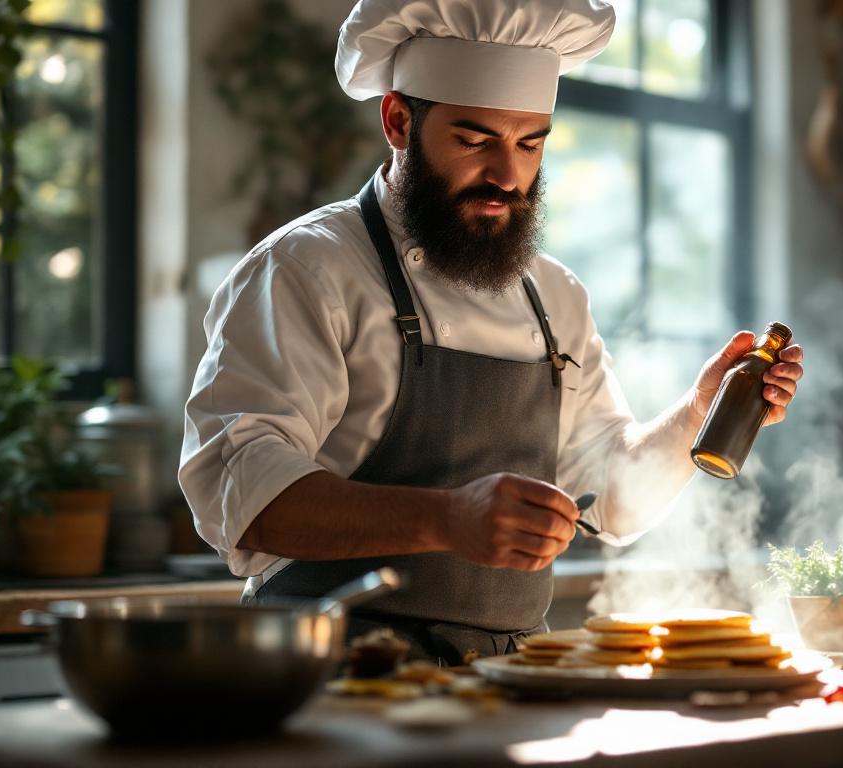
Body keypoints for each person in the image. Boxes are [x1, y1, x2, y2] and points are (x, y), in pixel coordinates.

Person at [179, 0, 804, 665]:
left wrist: (696, 414)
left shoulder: (555, 296)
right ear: (397, 121)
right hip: (327, 675)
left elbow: (612, 497)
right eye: (476, 140)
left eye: (531, 142)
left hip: (507, 683)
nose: (507, 176)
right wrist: (446, 519)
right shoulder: (307, 269)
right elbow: (241, 497)